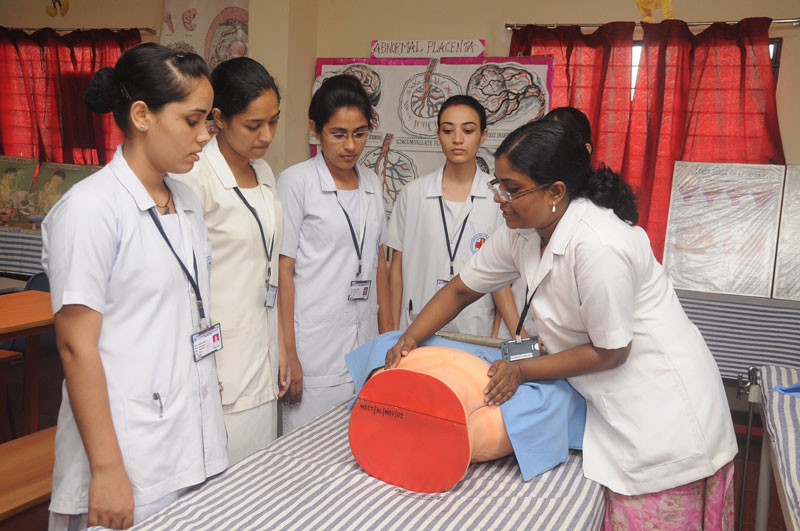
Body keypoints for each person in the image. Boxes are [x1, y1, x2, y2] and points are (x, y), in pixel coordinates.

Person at [386, 120, 738, 529]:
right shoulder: (523, 230)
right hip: (608, 394)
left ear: (555, 191)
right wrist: (409, 336)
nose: (500, 199)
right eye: (499, 185)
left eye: (513, 189)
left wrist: (521, 368)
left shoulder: (599, 245)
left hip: (661, 412)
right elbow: (463, 289)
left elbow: (612, 350)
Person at [42, 42, 227, 530]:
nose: (205, 135)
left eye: (208, 120)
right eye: (192, 120)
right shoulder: (90, 210)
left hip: (191, 433)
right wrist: (106, 470)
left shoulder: (184, 199)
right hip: (128, 449)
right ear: (142, 115)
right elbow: (75, 347)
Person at [170, 57, 284, 464]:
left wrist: (283, 348)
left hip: (262, 346)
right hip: (217, 356)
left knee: (262, 477)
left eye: (273, 121)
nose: (266, 135)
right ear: (218, 117)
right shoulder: (194, 180)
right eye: (254, 125)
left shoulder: (265, 173)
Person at [277, 74, 391, 433]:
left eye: (359, 133)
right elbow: (284, 271)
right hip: (313, 347)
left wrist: (389, 343)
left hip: (365, 343)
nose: (350, 146)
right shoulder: (296, 182)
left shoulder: (372, 183)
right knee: (306, 458)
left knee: (359, 453)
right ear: (316, 130)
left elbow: (379, 266)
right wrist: (290, 354)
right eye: (338, 134)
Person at [387, 95, 520, 337]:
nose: (457, 139)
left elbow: (504, 276)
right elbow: (396, 269)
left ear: (483, 135)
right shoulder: (413, 193)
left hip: (475, 327)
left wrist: (497, 334)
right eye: (448, 130)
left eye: (468, 130)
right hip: (416, 325)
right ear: (438, 133)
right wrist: (393, 331)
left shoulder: (499, 198)